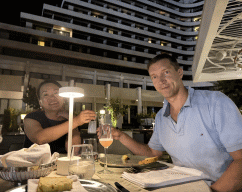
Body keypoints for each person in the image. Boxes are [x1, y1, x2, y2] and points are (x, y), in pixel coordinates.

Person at [109, 54, 242, 192]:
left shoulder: (215, 103)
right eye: (154, 76)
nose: (161, 80)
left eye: (166, 72)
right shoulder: (161, 116)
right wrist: (120, 136)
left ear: (179, 73)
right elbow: (153, 153)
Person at [24, 80, 96, 154]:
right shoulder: (32, 117)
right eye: (45, 94)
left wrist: (71, 119)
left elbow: (73, 151)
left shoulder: (69, 118)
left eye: (56, 93)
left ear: (63, 97)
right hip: (35, 164)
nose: (52, 97)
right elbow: (39, 138)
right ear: (40, 102)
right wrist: (75, 121)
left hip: (62, 164)